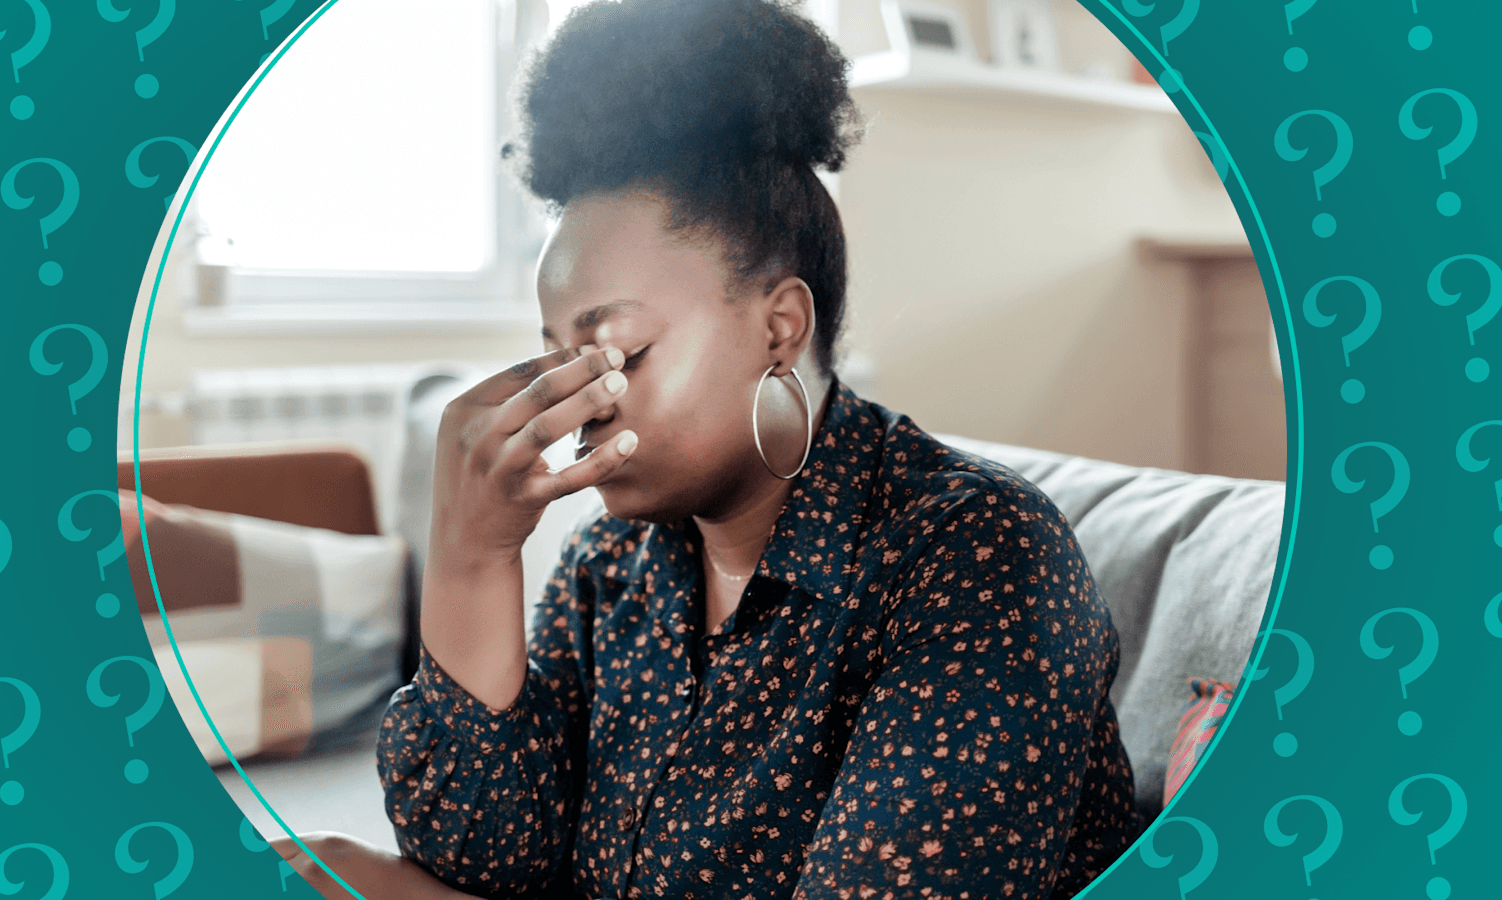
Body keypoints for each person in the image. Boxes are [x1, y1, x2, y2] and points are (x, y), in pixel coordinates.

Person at [271, 0, 1144, 897]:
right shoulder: (611, 565)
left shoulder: (977, 555)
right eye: (559, 356)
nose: (578, 402)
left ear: (780, 327)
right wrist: (471, 559)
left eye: (620, 351)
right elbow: (487, 863)